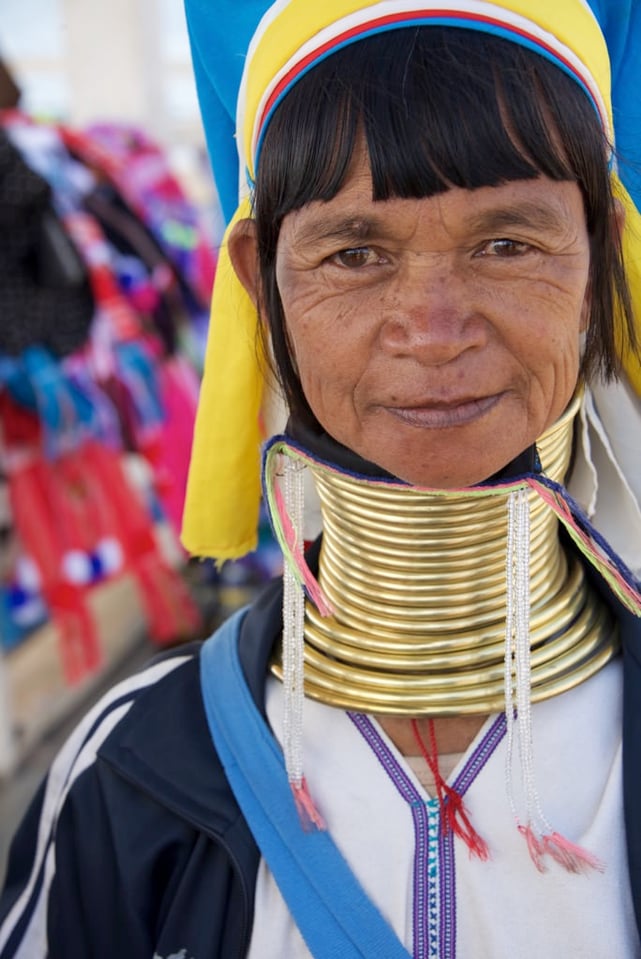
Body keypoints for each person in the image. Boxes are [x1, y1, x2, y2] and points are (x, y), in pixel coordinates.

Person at [3, 1, 641, 956]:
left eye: (507, 243)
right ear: (264, 286)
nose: (432, 329)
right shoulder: (132, 772)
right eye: (354, 253)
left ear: (598, 259)